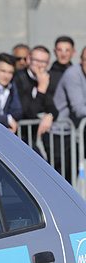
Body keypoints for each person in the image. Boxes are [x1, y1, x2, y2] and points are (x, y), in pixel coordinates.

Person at [52, 46, 86, 182]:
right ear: (80, 59)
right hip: (59, 133)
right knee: (62, 180)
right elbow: (79, 109)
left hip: (75, 134)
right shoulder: (73, 74)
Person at [13, 45, 57, 148]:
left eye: (43, 62)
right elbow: (29, 112)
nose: (39, 65)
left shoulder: (46, 78)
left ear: (48, 64)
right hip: (18, 135)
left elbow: (53, 106)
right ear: (29, 59)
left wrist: (50, 115)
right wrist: (41, 88)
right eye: (36, 60)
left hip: (34, 136)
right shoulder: (18, 78)